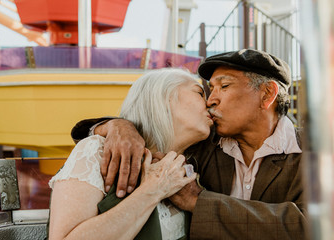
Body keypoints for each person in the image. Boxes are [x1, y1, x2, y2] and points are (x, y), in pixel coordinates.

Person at [71, 49, 308, 239]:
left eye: (224, 87)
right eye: (210, 89)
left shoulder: (317, 151)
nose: (211, 100)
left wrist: (198, 200)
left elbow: (312, 227)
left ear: (267, 94)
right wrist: (119, 126)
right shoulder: (204, 143)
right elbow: (153, 128)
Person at [48, 68, 213, 240]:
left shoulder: (194, 163)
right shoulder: (97, 151)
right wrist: (154, 189)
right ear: (165, 98)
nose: (209, 102)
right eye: (200, 93)